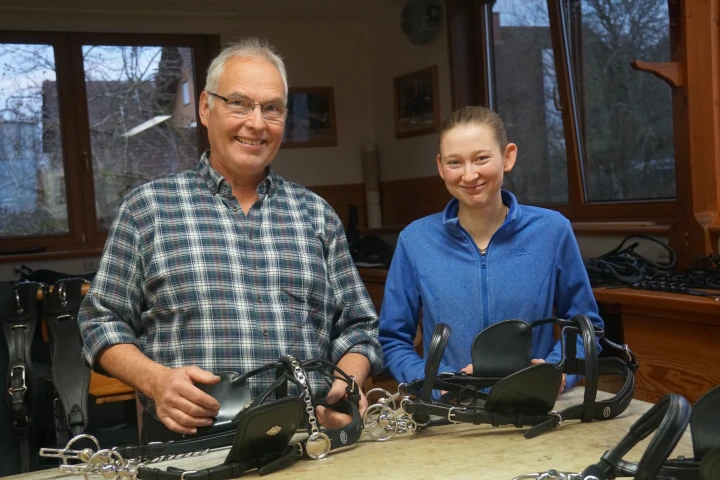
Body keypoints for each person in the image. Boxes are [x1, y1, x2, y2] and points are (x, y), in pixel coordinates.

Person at [78, 38, 382, 438]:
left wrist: (350, 376)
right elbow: (100, 321)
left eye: (271, 108)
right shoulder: (148, 209)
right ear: (205, 108)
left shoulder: (316, 214)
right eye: (238, 103)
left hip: (307, 441)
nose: (256, 123)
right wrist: (154, 380)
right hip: (191, 447)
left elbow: (360, 326)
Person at [378, 106, 602, 395]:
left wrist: (557, 373)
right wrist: (437, 383)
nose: (469, 175)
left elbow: (586, 328)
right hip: (450, 415)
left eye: (481, 158)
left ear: (508, 156)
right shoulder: (415, 240)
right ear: (440, 166)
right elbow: (393, 340)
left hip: (534, 408)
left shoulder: (552, 231)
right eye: (454, 162)